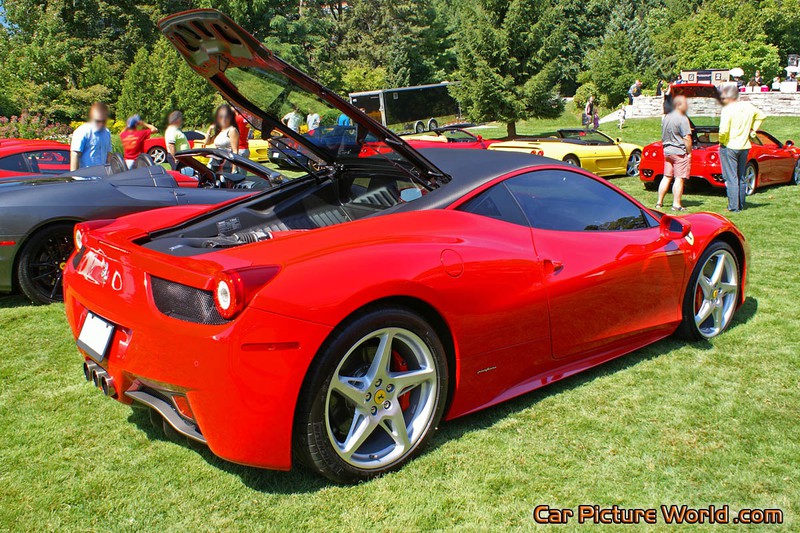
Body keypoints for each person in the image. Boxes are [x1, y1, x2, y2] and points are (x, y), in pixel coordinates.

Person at [718, 83, 766, 212]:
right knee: (741, 176)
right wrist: (753, 129)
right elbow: (762, 115)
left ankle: (733, 207)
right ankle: (741, 204)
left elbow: (723, 130)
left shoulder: (727, 109)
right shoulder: (748, 106)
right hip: (744, 146)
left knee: (731, 177)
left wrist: (721, 141)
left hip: (730, 145)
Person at [656, 95, 692, 212]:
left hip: (667, 151)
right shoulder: (682, 118)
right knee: (679, 178)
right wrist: (689, 152)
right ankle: (676, 204)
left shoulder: (666, 117)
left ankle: (659, 202)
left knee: (666, 177)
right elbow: (687, 137)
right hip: (679, 152)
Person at [70, 102, 112, 171]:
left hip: (102, 175)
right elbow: (75, 155)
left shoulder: (106, 133)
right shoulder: (82, 131)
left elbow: (108, 155)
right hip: (85, 176)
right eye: (98, 120)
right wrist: (74, 175)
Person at [203, 104, 240, 173]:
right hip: (215, 162)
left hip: (227, 163)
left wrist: (234, 169)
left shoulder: (232, 130)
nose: (223, 119)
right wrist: (209, 130)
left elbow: (235, 151)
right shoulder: (220, 131)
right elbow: (207, 142)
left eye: (226, 116)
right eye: (220, 116)